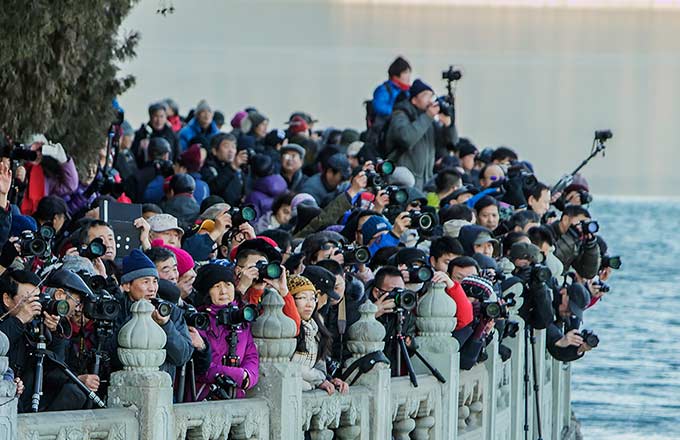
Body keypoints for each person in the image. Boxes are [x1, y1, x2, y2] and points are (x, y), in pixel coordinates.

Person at [113, 249, 194, 381]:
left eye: (155, 281)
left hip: (160, 385)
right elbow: (112, 355)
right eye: (145, 282)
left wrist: (166, 325)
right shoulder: (116, 311)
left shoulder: (170, 311)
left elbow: (182, 356)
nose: (152, 288)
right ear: (127, 286)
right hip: (124, 383)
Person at [193, 264, 259, 400]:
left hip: (237, 397)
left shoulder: (241, 317)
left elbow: (251, 355)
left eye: (228, 285)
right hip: (205, 397)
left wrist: (248, 376)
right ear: (207, 292)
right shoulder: (199, 320)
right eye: (216, 286)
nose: (223, 291)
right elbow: (201, 367)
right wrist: (238, 375)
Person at [385, 79, 458, 189]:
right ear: (414, 100)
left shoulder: (429, 120)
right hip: (404, 182)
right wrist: (428, 116)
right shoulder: (400, 115)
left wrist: (449, 126)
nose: (430, 100)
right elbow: (406, 138)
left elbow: (451, 144)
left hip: (426, 183)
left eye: (431, 95)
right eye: (425, 95)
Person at [289, 274, 348, 394]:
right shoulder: (287, 329)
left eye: (312, 298)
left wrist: (328, 380)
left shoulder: (315, 328)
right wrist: (319, 380)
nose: (309, 304)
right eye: (303, 298)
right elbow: (291, 366)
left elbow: (319, 366)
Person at [368, 266, 416, 377]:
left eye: (402, 291)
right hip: (371, 372)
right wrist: (371, 315)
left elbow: (409, 352)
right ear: (376, 292)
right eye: (394, 292)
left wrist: (410, 343)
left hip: (394, 373)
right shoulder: (362, 307)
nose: (399, 296)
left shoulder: (406, 313)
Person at [201, 133, 247, 207]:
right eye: (226, 146)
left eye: (233, 147)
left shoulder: (236, 168)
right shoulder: (208, 167)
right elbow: (213, 189)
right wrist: (232, 167)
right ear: (214, 150)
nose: (231, 150)